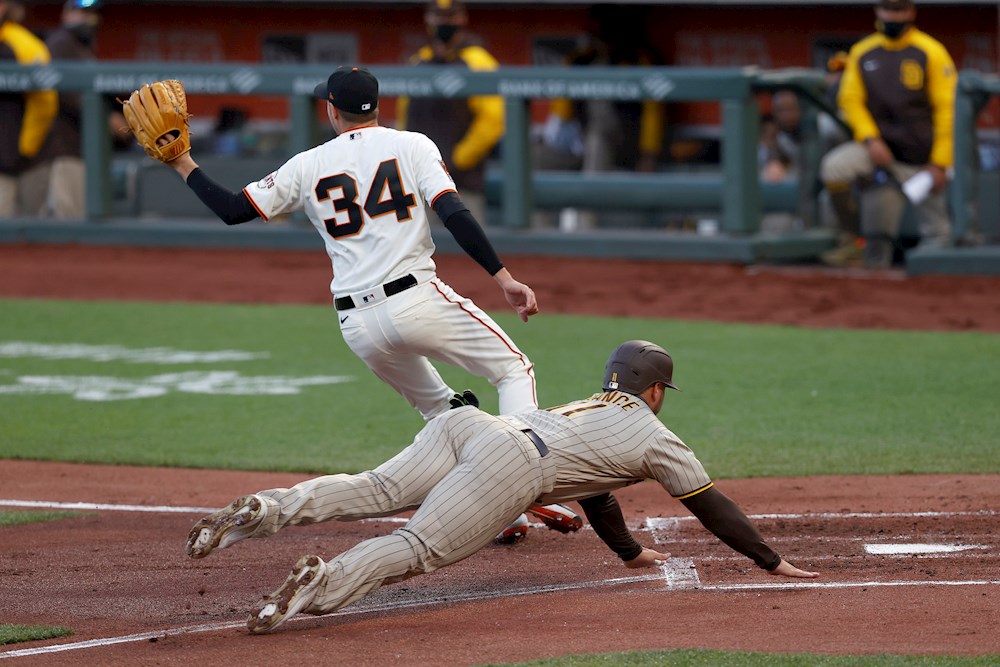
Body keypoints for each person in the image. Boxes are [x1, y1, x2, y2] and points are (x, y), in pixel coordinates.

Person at [151, 65, 579, 542]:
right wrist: (503, 276)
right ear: (376, 106)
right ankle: (527, 483)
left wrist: (182, 162)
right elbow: (454, 212)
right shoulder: (414, 144)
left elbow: (232, 210)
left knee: (446, 413)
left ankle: (503, 513)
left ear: (332, 109)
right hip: (417, 300)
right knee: (513, 369)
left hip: (357, 325)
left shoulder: (307, 163)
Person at [184, 339, 819, 634]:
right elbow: (714, 507)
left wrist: (628, 551)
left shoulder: (589, 408)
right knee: (418, 547)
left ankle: (266, 507)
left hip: (471, 424)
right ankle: (319, 586)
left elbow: (596, 489)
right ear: (655, 391)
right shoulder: (654, 437)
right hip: (511, 462)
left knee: (377, 487)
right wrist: (771, 560)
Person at [819, 0, 957, 269]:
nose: (892, 16)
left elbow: (947, 111)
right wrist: (871, 140)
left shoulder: (931, 51)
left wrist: (940, 162)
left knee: (940, 240)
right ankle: (852, 236)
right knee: (834, 169)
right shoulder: (863, 51)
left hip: (922, 161)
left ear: (911, 12)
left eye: (899, 10)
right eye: (887, 9)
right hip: (881, 153)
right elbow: (850, 100)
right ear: (877, 11)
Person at [533, 4, 666, 230]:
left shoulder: (638, 59)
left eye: (606, 26)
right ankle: (538, 232)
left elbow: (653, 115)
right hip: (580, 143)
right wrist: (549, 139)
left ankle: (586, 224)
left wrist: (649, 154)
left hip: (622, 145)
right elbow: (561, 112)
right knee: (535, 157)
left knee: (597, 136)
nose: (600, 32)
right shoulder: (579, 60)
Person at [396, 0, 503, 224]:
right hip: (419, 186)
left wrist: (456, 161)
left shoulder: (478, 60)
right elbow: (404, 118)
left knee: (467, 252)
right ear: (428, 19)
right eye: (439, 16)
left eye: (450, 16)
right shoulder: (419, 62)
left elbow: (493, 120)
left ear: (462, 18)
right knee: (419, 255)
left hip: (461, 184)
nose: (444, 22)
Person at [34, 0, 129, 219]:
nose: (88, 18)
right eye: (81, 12)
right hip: (62, 147)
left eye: (92, 13)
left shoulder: (82, 45)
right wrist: (105, 118)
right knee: (70, 218)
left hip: (81, 147)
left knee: (81, 214)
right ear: (66, 13)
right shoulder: (60, 42)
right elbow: (59, 91)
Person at [0, 0, 58, 218]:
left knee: (32, 238)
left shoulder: (23, 44)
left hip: (29, 161)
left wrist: (27, 148)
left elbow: (45, 103)